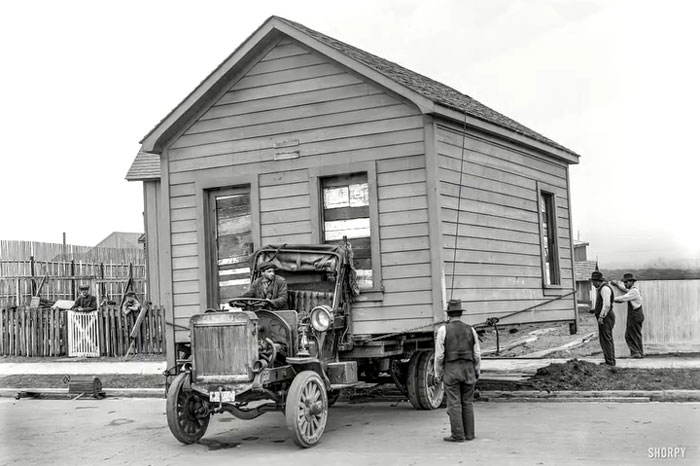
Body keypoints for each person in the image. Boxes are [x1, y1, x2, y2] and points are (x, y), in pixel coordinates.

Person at [434, 299, 481, 442]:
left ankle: (457, 435)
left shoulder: (443, 330)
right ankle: (470, 434)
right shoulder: (471, 329)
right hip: (468, 370)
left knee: (454, 403)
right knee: (467, 402)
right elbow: (477, 354)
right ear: (460, 314)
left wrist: (438, 373)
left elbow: (439, 355)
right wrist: (477, 370)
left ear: (449, 314)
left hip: (452, 370)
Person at [612, 273, 645, 358]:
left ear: (631, 282)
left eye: (626, 282)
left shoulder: (634, 291)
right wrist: (617, 285)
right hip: (634, 316)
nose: (625, 284)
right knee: (633, 335)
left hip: (635, 316)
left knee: (631, 335)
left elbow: (623, 299)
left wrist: (610, 299)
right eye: (624, 282)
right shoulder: (632, 290)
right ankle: (638, 353)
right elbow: (625, 291)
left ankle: (636, 353)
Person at [590, 269, 616, 366]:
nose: (592, 284)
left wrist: (601, 316)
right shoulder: (601, 289)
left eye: (593, 282)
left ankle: (610, 362)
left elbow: (607, 305)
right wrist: (595, 309)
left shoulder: (605, 289)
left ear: (598, 281)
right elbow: (602, 304)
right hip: (606, 316)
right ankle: (609, 360)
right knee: (604, 339)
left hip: (607, 317)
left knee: (606, 339)